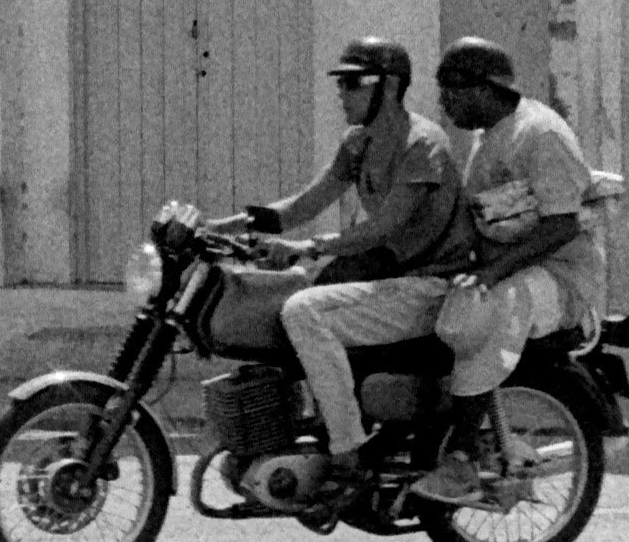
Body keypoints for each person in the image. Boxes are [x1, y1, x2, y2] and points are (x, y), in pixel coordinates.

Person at [247, 36, 462, 494]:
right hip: (393, 282)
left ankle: (347, 452)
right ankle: (310, 424)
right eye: (339, 83)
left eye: (353, 82)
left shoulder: (423, 144)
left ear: (390, 86)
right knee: (288, 294)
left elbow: (384, 227)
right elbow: (306, 203)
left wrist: (308, 248)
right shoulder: (358, 143)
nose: (341, 92)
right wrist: (223, 225)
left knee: (304, 310)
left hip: (431, 288)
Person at [408, 35, 602, 508]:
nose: (444, 103)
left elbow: (561, 225)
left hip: (559, 277)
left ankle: (462, 456)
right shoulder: (490, 137)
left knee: (487, 309)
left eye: (451, 90)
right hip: (515, 267)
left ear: (482, 87)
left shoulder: (540, 135)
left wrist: (493, 273)